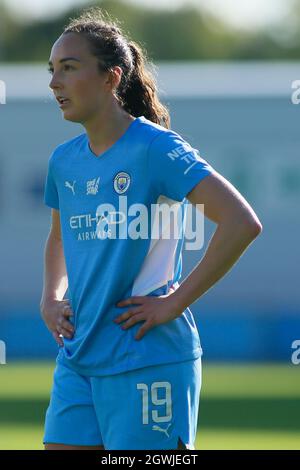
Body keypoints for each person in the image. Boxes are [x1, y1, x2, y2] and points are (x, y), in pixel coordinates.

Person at [40, 7, 262, 451]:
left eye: (69, 68)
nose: (54, 83)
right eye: (52, 71)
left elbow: (240, 223)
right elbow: (60, 237)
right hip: (79, 356)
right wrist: (51, 296)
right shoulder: (64, 160)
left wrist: (174, 303)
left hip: (148, 356)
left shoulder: (156, 148)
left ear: (111, 77)